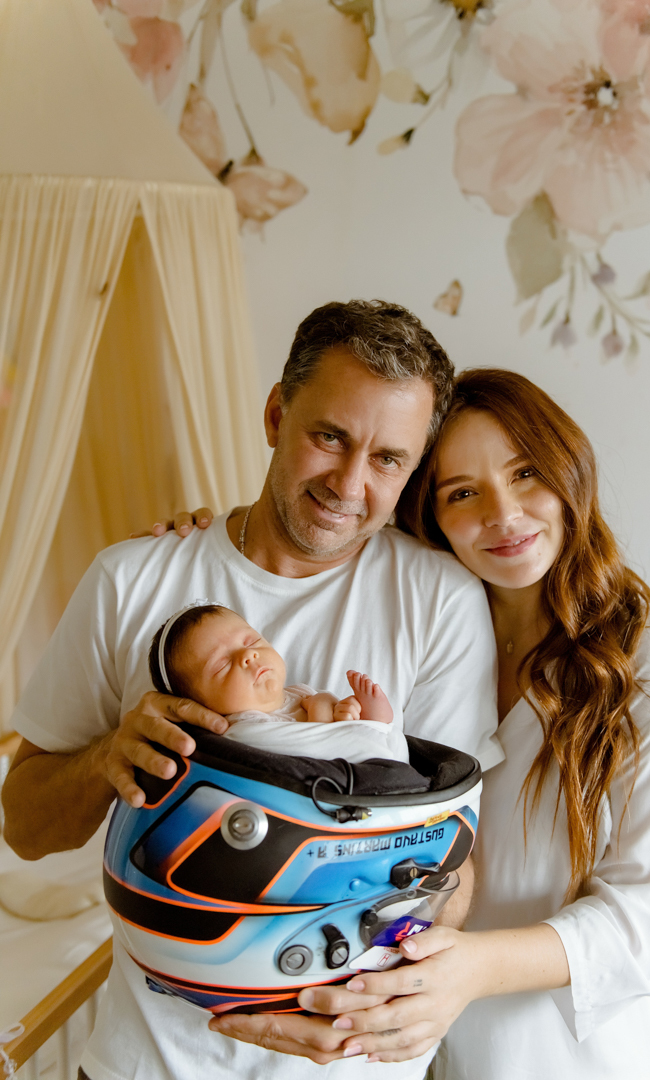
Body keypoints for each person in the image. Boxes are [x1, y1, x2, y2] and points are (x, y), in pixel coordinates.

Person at [1, 300, 501, 1080]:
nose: (348, 484)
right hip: (148, 1063)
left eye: (387, 459)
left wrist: (349, 1007)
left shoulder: (439, 601)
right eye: (328, 436)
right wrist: (108, 758)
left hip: (346, 1061)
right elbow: (25, 828)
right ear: (275, 415)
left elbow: (452, 863)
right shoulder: (133, 579)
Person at [281, 368, 650, 1078]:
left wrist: (473, 968)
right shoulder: (432, 639)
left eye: (525, 474)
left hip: (583, 1057)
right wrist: (200, 538)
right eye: (463, 493)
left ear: (568, 472)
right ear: (429, 516)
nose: (505, 514)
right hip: (430, 1042)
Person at [148, 602, 405, 761]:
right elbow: (313, 755)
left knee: (377, 725)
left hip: (381, 772)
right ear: (199, 707)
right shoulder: (242, 732)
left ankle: (379, 720)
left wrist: (351, 712)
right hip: (338, 793)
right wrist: (322, 707)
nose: (248, 655)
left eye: (252, 641)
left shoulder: (299, 692)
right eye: (222, 665)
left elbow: (342, 734)